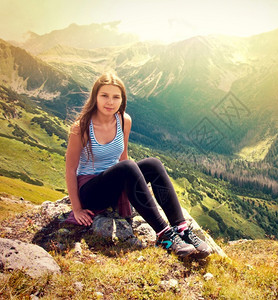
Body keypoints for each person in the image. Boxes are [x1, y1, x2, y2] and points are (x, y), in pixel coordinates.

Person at [65, 72, 211, 258]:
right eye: (104, 96)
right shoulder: (81, 127)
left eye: (116, 97)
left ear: (122, 99)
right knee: (127, 167)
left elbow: (122, 157)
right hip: (91, 191)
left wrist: (136, 187)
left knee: (153, 164)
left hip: (115, 182)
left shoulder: (124, 120)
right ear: (95, 97)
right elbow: (70, 169)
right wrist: (77, 209)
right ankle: (165, 236)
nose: (110, 102)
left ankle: (181, 228)